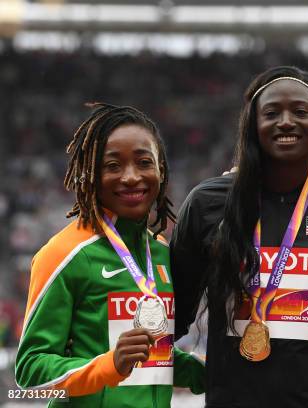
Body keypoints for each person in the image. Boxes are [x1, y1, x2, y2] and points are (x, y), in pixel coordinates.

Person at [171, 66, 308, 407]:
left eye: (300, 112)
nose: (286, 121)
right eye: (271, 113)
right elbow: (171, 313)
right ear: (253, 124)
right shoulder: (209, 204)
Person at [15, 103, 206, 407]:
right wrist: (109, 365)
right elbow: (30, 369)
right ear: (90, 174)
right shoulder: (65, 253)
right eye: (113, 166)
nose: (131, 177)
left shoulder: (160, 252)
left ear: (161, 170)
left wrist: (204, 371)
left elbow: (151, 362)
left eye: (144, 162)